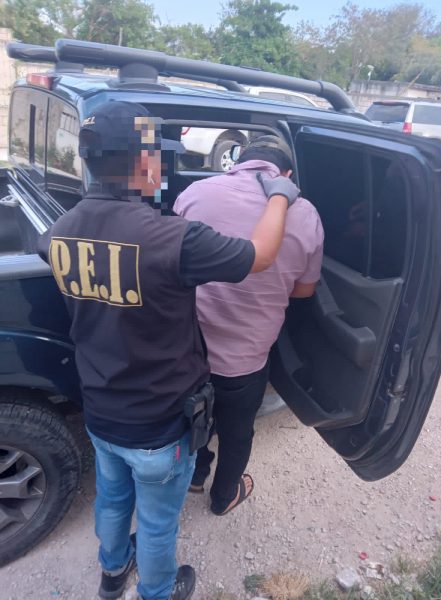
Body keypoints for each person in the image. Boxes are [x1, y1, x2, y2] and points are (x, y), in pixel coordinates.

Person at [37, 104, 301, 600]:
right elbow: (261, 255)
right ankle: (158, 591)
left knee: (112, 500)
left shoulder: (59, 231)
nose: (162, 166)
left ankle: (112, 573)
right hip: (159, 424)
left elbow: (56, 253)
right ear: (143, 163)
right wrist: (280, 197)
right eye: (158, 156)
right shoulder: (172, 239)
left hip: (100, 411)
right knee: (157, 522)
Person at [174, 135, 324, 516]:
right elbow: (304, 292)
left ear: (238, 159)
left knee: (193, 417)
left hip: (190, 351)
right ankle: (224, 496)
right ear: (286, 175)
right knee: (238, 432)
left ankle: (195, 476)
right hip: (247, 360)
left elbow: (172, 264)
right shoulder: (306, 214)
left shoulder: (195, 194)